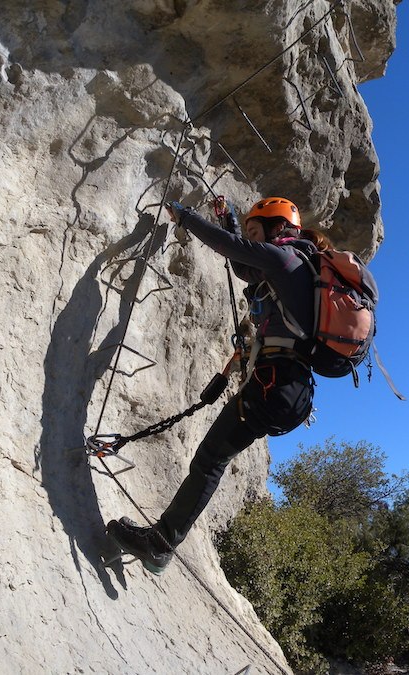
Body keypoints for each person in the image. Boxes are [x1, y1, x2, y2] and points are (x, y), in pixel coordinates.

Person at [107, 197, 332, 574]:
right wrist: (227, 218)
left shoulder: (284, 259)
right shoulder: (299, 267)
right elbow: (243, 264)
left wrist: (186, 216)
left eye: (255, 230)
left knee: (210, 459)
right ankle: (162, 540)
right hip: (289, 389)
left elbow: (233, 250)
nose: (251, 238)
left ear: (277, 226)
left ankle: (161, 545)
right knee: (213, 457)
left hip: (274, 387)